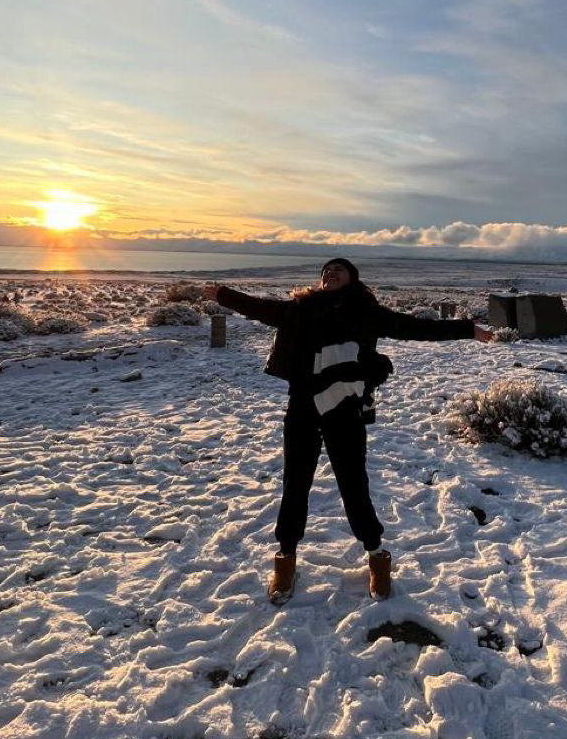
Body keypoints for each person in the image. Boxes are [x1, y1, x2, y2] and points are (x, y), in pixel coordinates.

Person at [202, 258, 493, 603]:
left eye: (339, 269)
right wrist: (223, 294)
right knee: (295, 483)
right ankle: (285, 559)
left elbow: (415, 326)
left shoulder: (366, 312)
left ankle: (377, 557)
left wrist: (467, 329)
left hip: (346, 410)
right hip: (303, 406)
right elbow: (260, 308)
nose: (331, 273)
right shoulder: (300, 309)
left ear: (353, 278)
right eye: (326, 270)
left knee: (353, 484)